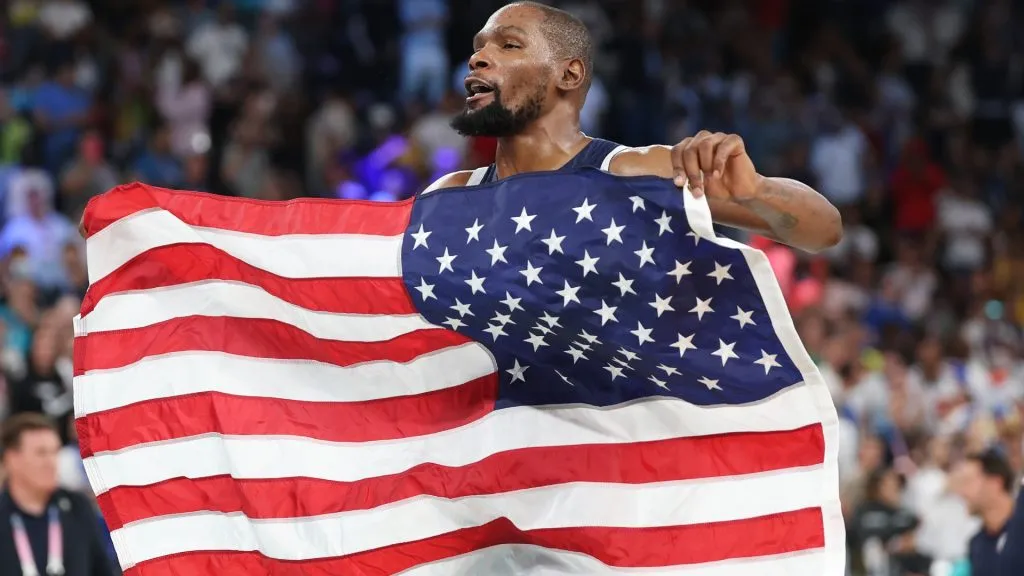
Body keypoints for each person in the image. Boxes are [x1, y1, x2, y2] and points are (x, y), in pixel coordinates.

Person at [425, 1, 843, 253]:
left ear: (569, 75)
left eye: (508, 45)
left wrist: (756, 193)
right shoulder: (450, 196)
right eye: (478, 48)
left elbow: (823, 231)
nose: (478, 58)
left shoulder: (634, 174)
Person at [0, 413, 115, 576]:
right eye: (41, 453)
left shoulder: (77, 508)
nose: (51, 462)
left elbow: (103, 570)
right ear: (12, 459)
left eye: (55, 452)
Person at [953, 450, 1016, 576]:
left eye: (968, 481)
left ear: (995, 483)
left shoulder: (1019, 534)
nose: (962, 493)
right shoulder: (977, 544)